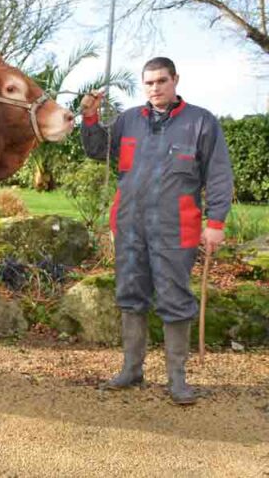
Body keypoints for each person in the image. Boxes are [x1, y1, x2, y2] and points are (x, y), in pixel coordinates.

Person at [80, 57, 234, 405]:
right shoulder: (128, 121)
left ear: (175, 80)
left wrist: (216, 223)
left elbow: (220, 174)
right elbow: (96, 150)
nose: (155, 88)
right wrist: (89, 117)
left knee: (174, 298)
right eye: (149, 82)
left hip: (176, 227)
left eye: (161, 81)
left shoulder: (201, 122)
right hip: (130, 225)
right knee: (131, 294)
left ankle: (177, 380)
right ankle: (131, 370)